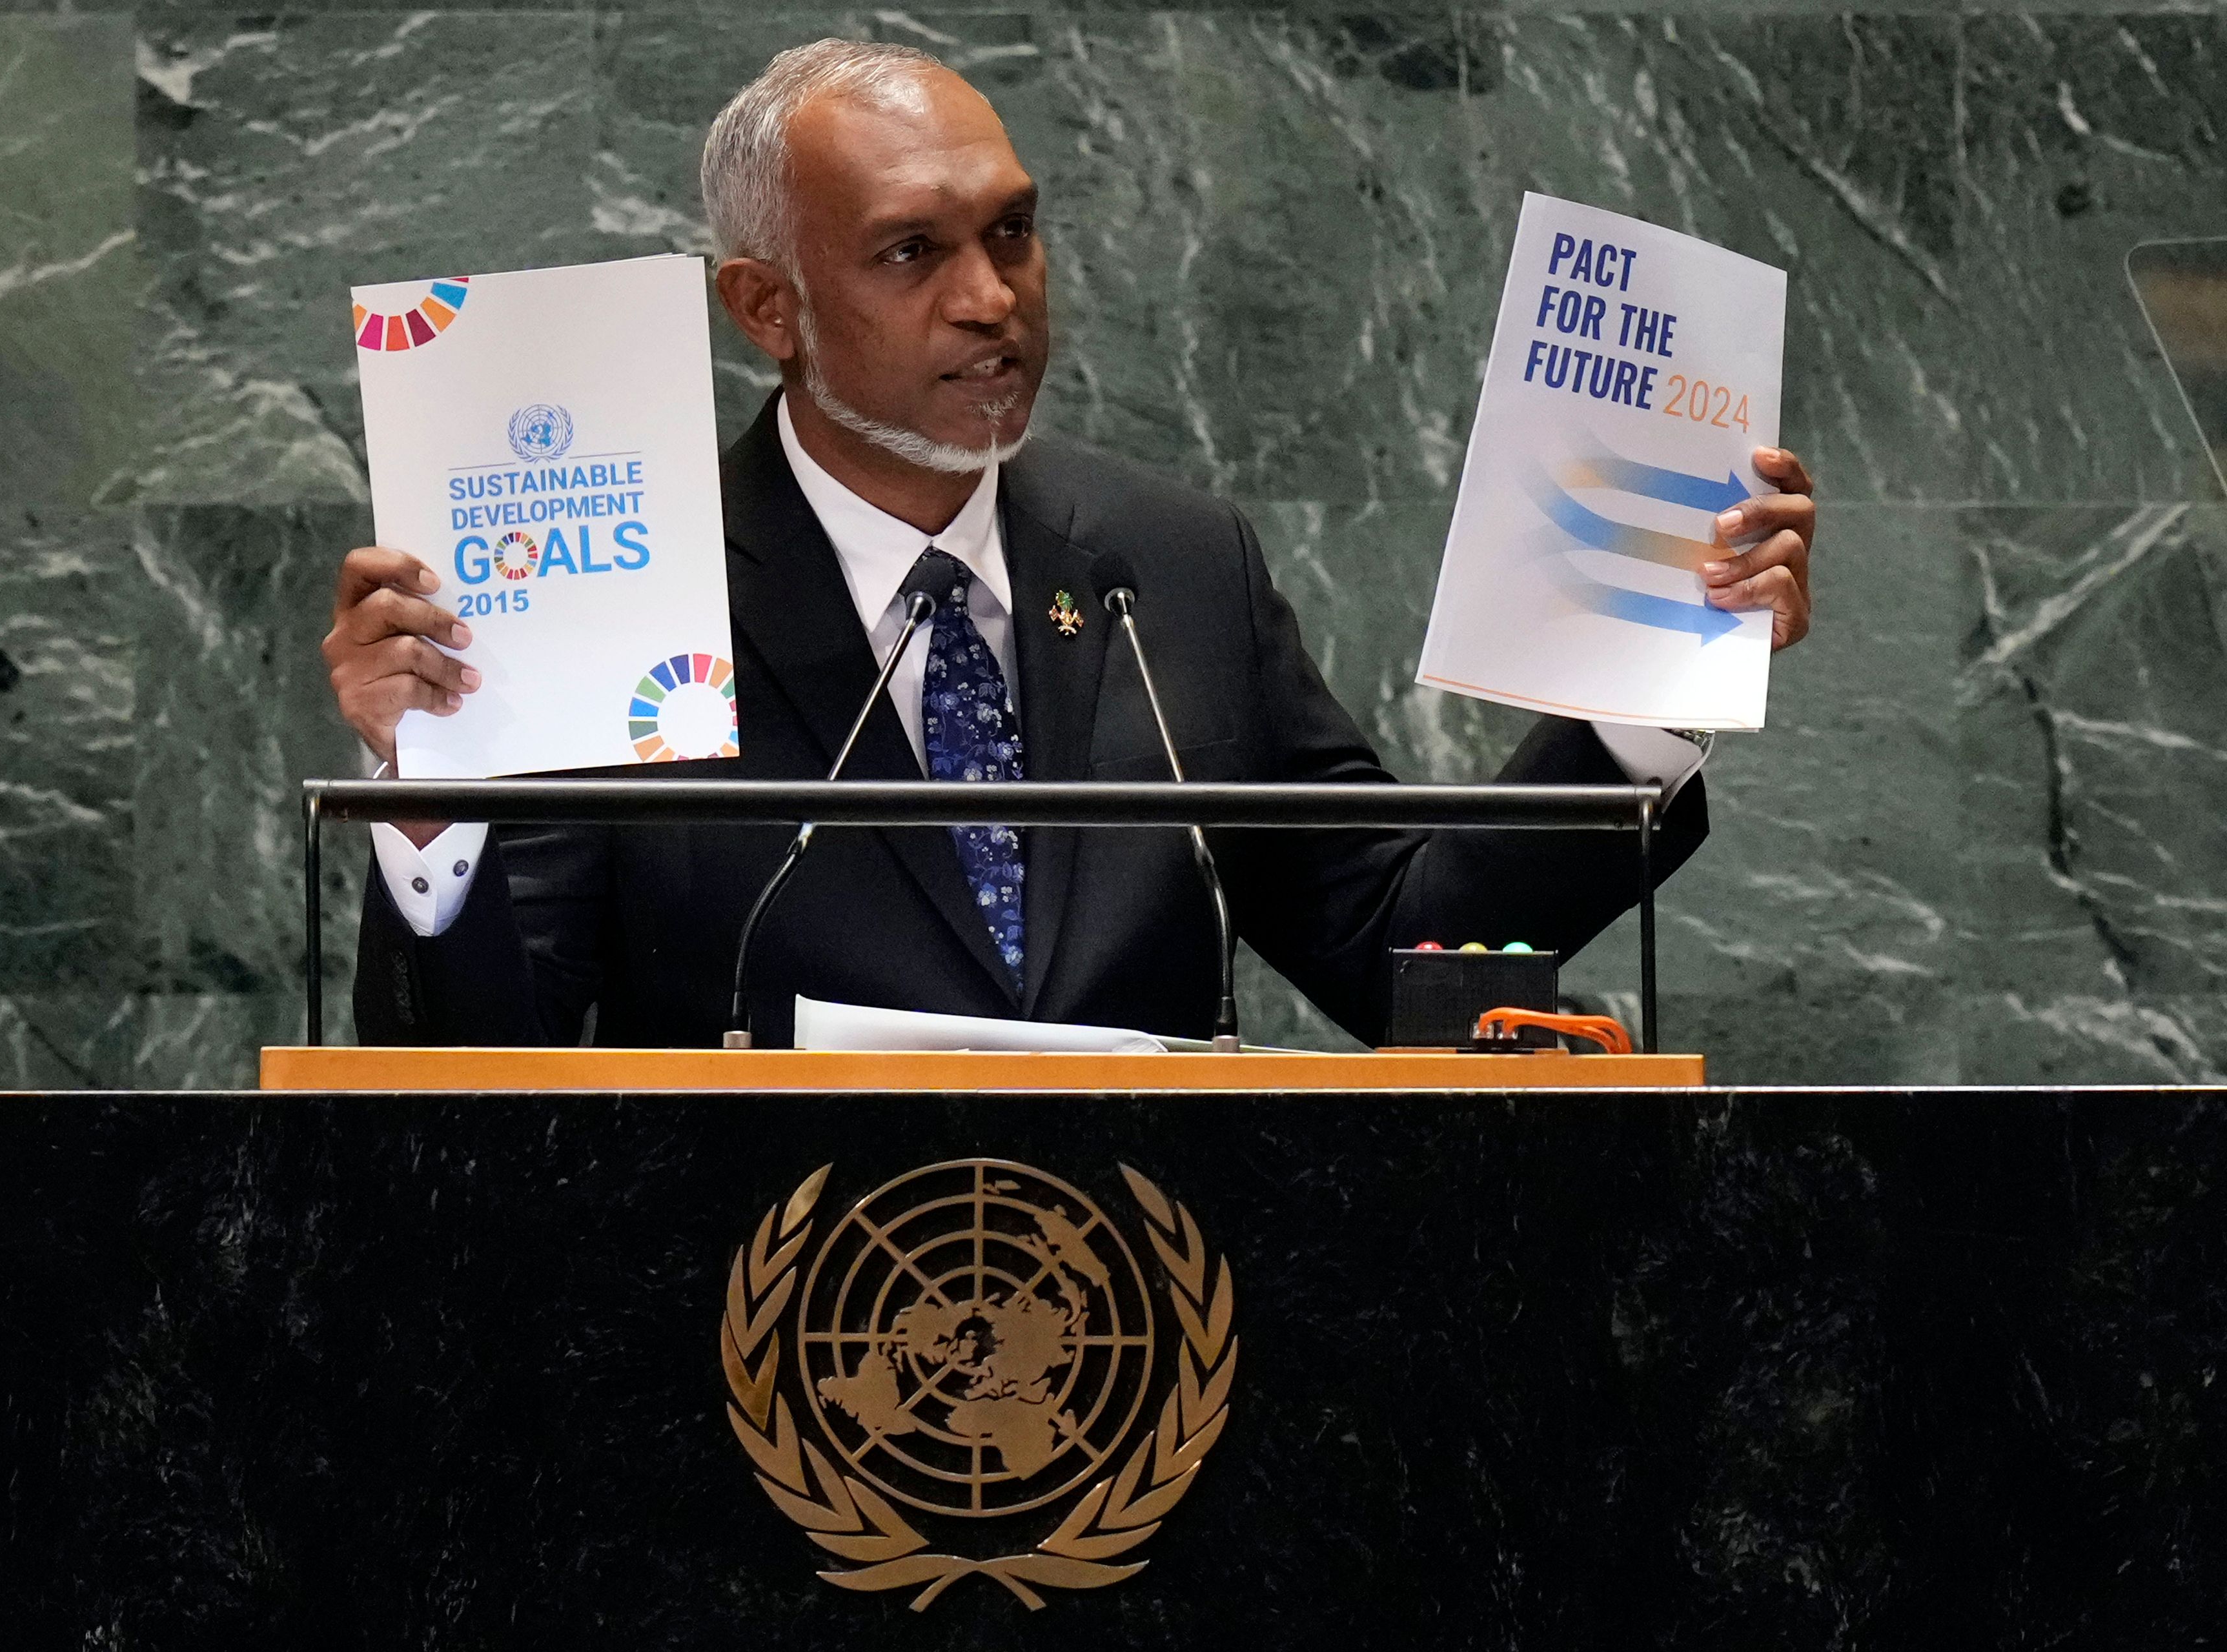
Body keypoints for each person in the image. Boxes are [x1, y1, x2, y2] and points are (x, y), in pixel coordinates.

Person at [321, 39, 1818, 1049]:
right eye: (916, 252)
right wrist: (431, 801)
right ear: (766, 309)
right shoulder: (629, 590)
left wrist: (1648, 680)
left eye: (1016, 234)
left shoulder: (1174, 561)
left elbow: (1396, 946)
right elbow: (475, 1074)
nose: (993, 299)